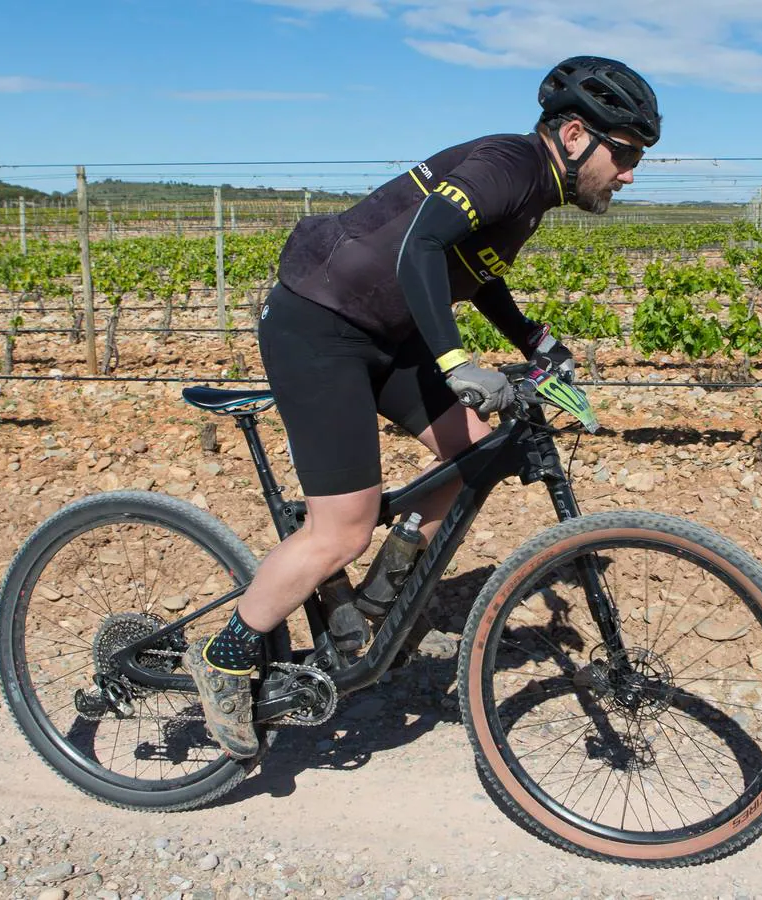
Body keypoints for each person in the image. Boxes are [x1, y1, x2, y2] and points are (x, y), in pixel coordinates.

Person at [182, 56, 663, 758]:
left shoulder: (531, 194)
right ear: (570, 135)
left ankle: (369, 611)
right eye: (622, 153)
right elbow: (421, 247)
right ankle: (223, 658)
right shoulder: (508, 164)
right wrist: (453, 361)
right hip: (321, 322)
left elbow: (475, 276)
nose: (629, 172)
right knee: (340, 531)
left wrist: (537, 340)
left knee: (472, 456)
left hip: (385, 331)